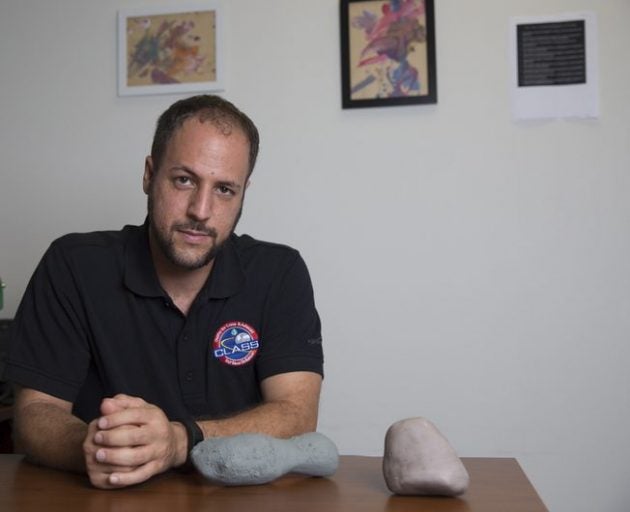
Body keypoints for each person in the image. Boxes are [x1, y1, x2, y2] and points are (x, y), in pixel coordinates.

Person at [3, 95, 324, 489]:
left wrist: (178, 441)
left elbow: (297, 414)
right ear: (149, 175)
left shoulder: (279, 272)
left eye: (224, 189)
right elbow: (36, 412)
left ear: (243, 194)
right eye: (184, 180)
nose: (201, 210)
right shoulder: (72, 264)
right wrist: (94, 446)